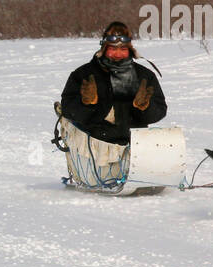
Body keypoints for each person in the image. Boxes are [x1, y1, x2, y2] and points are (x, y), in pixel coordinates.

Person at [55, 22, 167, 186]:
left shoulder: (144, 76)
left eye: (123, 49)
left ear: (129, 50)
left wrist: (145, 107)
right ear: (104, 48)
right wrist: (87, 104)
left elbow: (160, 111)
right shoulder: (83, 75)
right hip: (94, 149)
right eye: (113, 49)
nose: (118, 54)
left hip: (134, 148)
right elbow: (68, 110)